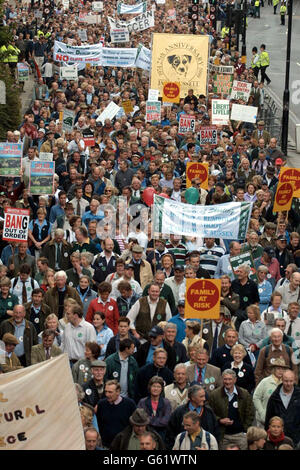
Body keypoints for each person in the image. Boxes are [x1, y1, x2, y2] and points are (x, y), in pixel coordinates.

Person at [209, 369, 255, 450]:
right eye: (225, 379)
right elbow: (210, 413)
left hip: (240, 435)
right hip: (223, 435)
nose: (227, 382)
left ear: (235, 380)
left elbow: (250, 413)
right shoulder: (214, 395)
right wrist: (220, 420)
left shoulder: (244, 394)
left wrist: (244, 431)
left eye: (230, 379)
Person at [165, 384, 220, 450]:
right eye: (201, 396)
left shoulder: (209, 412)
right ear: (193, 398)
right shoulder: (179, 412)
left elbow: (216, 433)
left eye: (204, 396)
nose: (204, 399)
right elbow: (170, 435)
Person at [96, 380, 136, 449]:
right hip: (105, 445)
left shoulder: (130, 404)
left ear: (118, 392)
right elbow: (99, 423)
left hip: (124, 445)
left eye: (110, 392)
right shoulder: (101, 404)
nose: (107, 395)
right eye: (106, 391)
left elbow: (133, 424)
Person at [265, 370, 300, 445]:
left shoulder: (299, 395)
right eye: (286, 381)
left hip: (297, 437)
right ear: (282, 380)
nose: (288, 384)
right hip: (278, 439)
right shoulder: (274, 397)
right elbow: (268, 418)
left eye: (291, 381)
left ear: (294, 380)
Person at [253, 358, 288, 427]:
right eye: (278, 368)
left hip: (280, 422)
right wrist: (262, 413)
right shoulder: (265, 382)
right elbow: (256, 397)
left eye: (282, 369)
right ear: (274, 369)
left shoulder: (286, 383)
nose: (280, 371)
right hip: (263, 420)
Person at [231, 264, 260, 330]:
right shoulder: (234, 283)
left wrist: (253, 314)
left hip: (248, 315)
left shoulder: (253, 284)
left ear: (246, 273)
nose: (238, 273)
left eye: (241, 272)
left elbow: (256, 301)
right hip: (236, 313)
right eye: (237, 271)